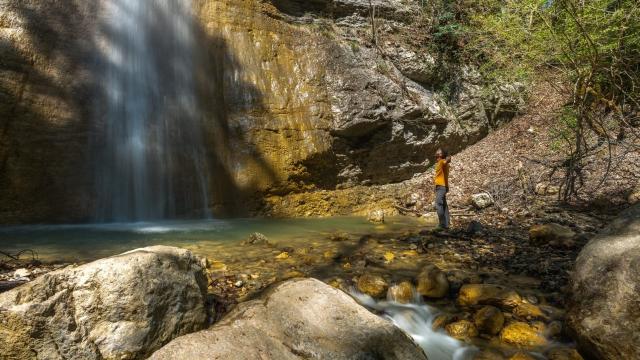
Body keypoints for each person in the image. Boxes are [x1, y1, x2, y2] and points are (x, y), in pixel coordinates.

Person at [434, 148, 451, 230]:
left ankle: (442, 224)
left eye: (439, 152)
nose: (437, 152)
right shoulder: (440, 163)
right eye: (437, 151)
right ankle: (447, 224)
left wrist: (448, 158)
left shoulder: (442, 162)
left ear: (442, 155)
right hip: (442, 186)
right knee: (444, 205)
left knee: (438, 204)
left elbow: (446, 161)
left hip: (441, 187)